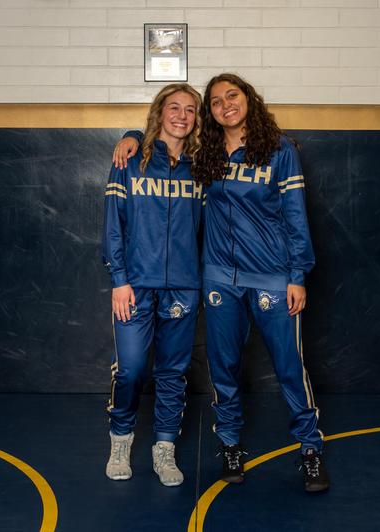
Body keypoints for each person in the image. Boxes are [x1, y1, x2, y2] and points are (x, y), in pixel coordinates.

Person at [113, 73, 328, 492]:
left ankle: (310, 450)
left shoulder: (279, 151)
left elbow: (296, 217)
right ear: (208, 115)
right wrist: (131, 134)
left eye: (232, 95)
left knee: (289, 368)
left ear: (250, 99)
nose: (225, 104)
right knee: (224, 370)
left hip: (270, 277)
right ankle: (230, 445)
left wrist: (297, 274)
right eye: (214, 101)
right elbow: (162, 141)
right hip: (216, 278)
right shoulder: (205, 156)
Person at [101, 83, 204, 487]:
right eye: (174, 107)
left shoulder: (201, 167)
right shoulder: (129, 160)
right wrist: (119, 280)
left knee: (173, 372)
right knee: (130, 370)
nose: (181, 115)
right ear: (159, 112)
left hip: (183, 286)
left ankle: (164, 448)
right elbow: (113, 224)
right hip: (135, 285)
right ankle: (121, 439)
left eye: (191, 110)